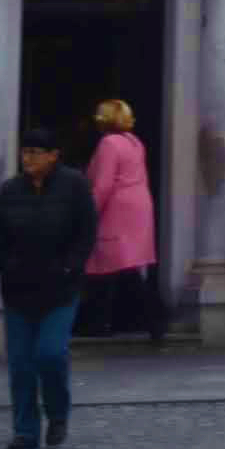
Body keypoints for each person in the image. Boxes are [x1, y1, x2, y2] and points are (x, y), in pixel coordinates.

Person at [0, 125, 97, 449]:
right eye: (25, 152)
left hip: (60, 290)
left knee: (50, 354)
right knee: (21, 364)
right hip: (19, 289)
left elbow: (87, 234)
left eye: (35, 152)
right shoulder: (11, 190)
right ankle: (26, 432)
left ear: (54, 156)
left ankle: (57, 415)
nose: (27, 158)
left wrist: (70, 266)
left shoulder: (75, 185)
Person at [82, 99, 160, 342]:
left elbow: (103, 184)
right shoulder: (135, 142)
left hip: (117, 209)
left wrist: (89, 211)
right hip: (139, 206)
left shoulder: (108, 143)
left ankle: (102, 322)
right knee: (128, 266)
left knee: (108, 265)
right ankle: (146, 321)